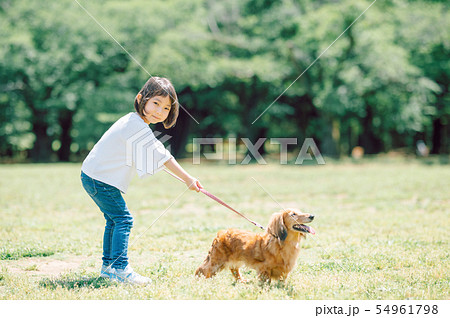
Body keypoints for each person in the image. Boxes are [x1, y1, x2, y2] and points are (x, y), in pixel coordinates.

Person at [80, 77, 203, 285]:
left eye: (165, 108)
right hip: (99, 179)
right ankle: (120, 268)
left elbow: (153, 155)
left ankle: (109, 268)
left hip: (94, 176)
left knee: (114, 219)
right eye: (155, 103)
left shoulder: (133, 122)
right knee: (123, 219)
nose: (159, 111)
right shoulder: (135, 125)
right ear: (141, 98)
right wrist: (187, 179)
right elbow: (162, 155)